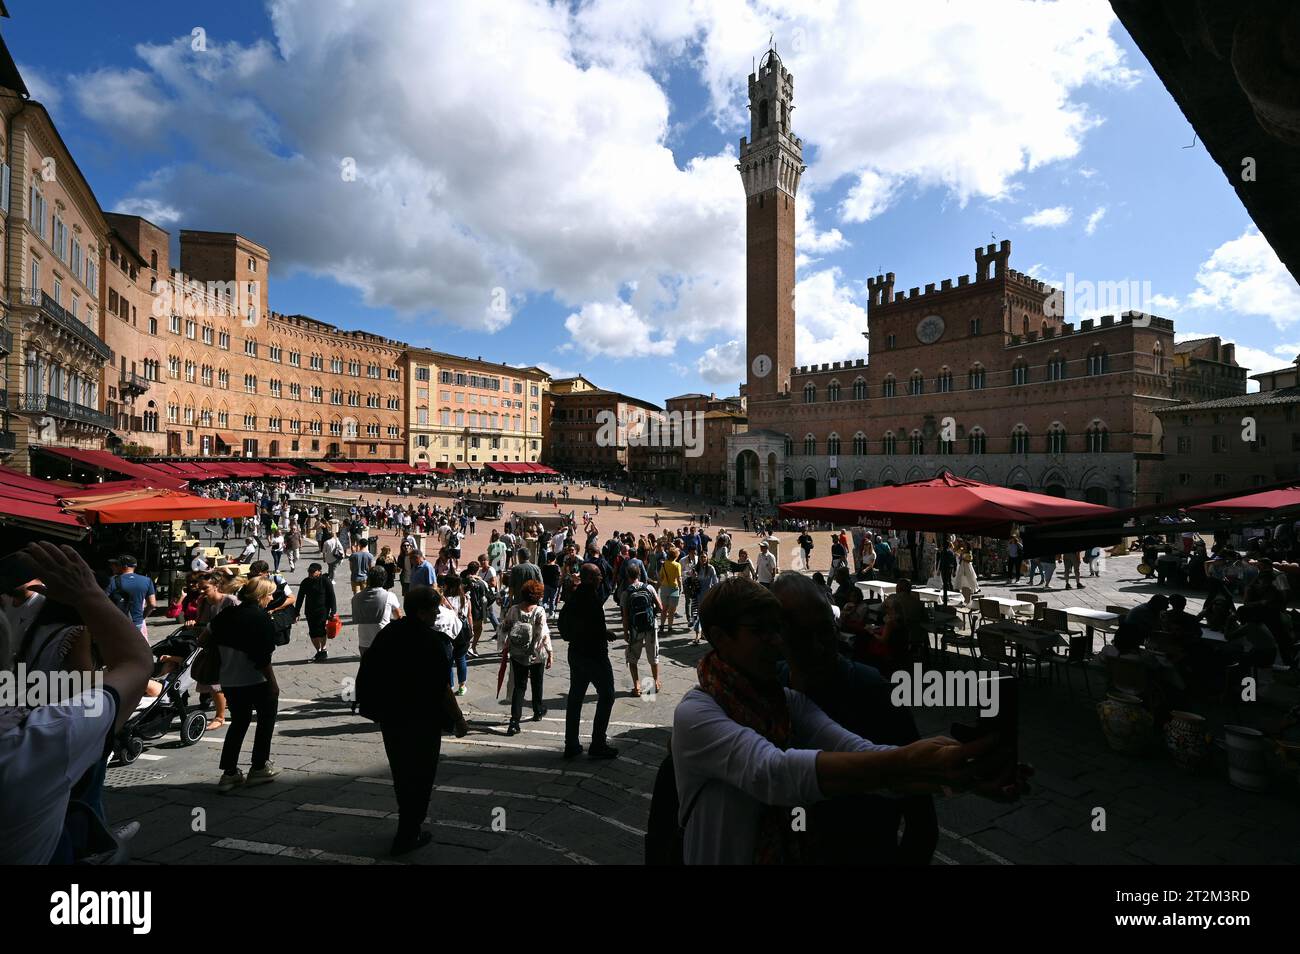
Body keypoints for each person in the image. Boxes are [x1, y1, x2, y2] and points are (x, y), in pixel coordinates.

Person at [670, 576, 1026, 865]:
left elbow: (864, 753)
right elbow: (775, 773)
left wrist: (961, 773)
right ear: (720, 638)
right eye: (761, 632)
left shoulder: (789, 701)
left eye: (777, 631)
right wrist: (920, 760)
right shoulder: (696, 714)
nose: (776, 642)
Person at [0, 543, 152, 864]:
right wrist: (89, 596)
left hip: (31, 703)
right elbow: (125, 667)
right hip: (62, 720)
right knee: (86, 791)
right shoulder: (76, 631)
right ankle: (97, 840)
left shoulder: (32, 628)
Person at [772, 572, 938, 864]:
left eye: (825, 631)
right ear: (777, 638)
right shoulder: (768, 689)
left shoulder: (874, 691)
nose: (820, 646)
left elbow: (921, 815)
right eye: (802, 636)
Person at [356, 585, 469, 856]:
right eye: (433, 609)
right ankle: (409, 831)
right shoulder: (431, 641)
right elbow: (442, 688)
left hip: (392, 716)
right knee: (421, 774)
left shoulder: (388, 633)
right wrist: (459, 720)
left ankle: (407, 825)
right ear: (422, 611)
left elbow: (368, 670)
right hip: (422, 719)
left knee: (401, 772)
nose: (436, 613)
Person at [208, 578, 282, 793]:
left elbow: (205, 638)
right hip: (256, 679)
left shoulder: (226, 614)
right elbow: (263, 657)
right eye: (269, 595)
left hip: (229, 679)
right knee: (265, 721)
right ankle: (259, 767)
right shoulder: (261, 618)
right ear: (260, 596)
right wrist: (273, 684)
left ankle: (229, 773)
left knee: (238, 723)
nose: (271, 599)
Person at [559, 564, 619, 760]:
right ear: (592, 578)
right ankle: (598, 743)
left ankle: (571, 743)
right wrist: (604, 633)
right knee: (607, 695)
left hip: (576, 652)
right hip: (594, 655)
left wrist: (602, 632)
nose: (602, 578)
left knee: (575, 698)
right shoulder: (591, 598)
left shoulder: (575, 596)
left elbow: (571, 624)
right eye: (599, 576)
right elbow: (591, 628)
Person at [502, 579, 552, 736]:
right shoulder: (539, 611)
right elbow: (543, 634)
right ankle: (538, 711)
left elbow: (504, 628)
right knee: (537, 683)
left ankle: (514, 721)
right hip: (536, 654)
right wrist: (550, 653)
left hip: (517, 654)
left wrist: (507, 645)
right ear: (538, 596)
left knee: (519, 686)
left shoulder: (513, 610)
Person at [621, 563, 664, 695]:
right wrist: (653, 613)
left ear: (628, 576)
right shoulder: (649, 588)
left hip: (635, 629)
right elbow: (661, 607)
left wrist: (625, 632)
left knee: (632, 658)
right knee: (653, 655)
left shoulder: (626, 593)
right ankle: (656, 683)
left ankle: (637, 687)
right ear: (639, 574)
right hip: (651, 626)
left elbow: (625, 616)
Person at [293, 563, 337, 662]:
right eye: (309, 571)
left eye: (313, 572)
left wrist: (333, 611)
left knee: (321, 631)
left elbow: (332, 596)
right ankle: (318, 651)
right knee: (313, 632)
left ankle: (324, 649)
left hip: (323, 610)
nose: (310, 573)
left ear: (319, 571)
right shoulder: (305, 582)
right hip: (310, 611)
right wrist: (296, 612)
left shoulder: (325, 581)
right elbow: (300, 598)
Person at [105, 554, 156, 635]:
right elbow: (152, 604)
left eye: (118, 565)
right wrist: (142, 617)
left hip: (117, 622)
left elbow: (104, 601)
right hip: (137, 622)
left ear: (124, 566)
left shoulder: (112, 580)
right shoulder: (147, 580)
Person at [442, 574, 472, 696]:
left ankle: (450, 684)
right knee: (460, 658)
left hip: (447, 631)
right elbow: (469, 615)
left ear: (447, 585)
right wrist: (471, 630)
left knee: (448, 659)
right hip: (462, 631)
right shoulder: (465, 598)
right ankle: (462, 686)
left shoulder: (443, 599)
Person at [658, 546, 683, 635]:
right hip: (674, 589)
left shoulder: (664, 564)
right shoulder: (677, 565)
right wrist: (681, 588)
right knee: (672, 611)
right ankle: (669, 627)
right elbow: (679, 578)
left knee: (664, 609)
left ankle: (661, 626)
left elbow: (660, 576)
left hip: (664, 588)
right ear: (676, 556)